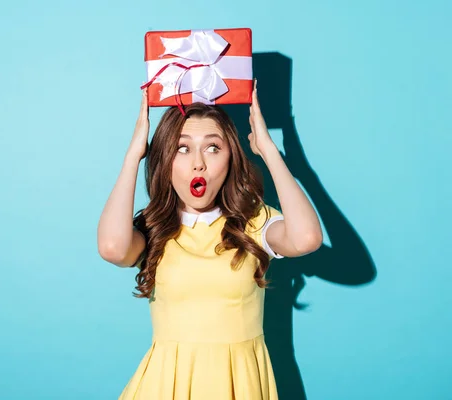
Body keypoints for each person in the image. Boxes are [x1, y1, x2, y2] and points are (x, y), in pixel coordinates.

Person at [97, 83, 323, 399]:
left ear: (231, 158)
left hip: (240, 386)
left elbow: (307, 239)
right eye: (182, 148)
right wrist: (134, 155)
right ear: (165, 159)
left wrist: (268, 151)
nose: (198, 163)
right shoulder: (155, 228)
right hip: (166, 387)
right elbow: (112, 248)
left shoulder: (254, 222)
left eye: (213, 148)